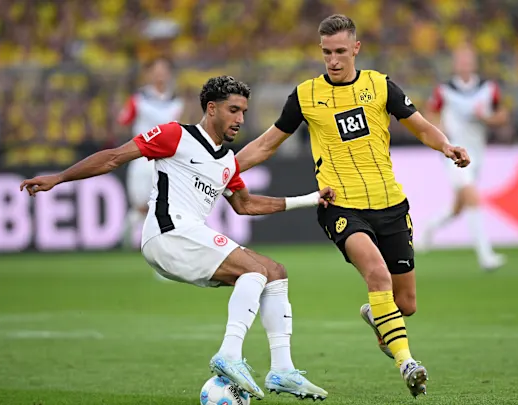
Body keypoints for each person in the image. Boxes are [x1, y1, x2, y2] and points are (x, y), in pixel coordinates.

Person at [20, 76, 331, 401]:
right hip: (167, 233)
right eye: (233, 110)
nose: (240, 119)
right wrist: (59, 178)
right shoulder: (174, 135)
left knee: (275, 273)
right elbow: (113, 157)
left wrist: (309, 199)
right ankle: (229, 354)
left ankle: (282, 370)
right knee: (254, 271)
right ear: (211, 109)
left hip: (187, 238)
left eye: (244, 111)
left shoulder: (226, 161)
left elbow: (246, 205)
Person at [235, 14, 470, 398]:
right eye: (326, 52)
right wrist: (224, 167)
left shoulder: (379, 86)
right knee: (376, 274)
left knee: (404, 305)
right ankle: (408, 363)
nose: (333, 60)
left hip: (390, 204)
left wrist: (446, 146)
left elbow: (421, 125)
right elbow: (265, 144)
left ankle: (377, 316)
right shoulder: (306, 96)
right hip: (341, 206)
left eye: (341, 51)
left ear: (356, 48)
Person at [422, 44, 508, 270]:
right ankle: (485, 255)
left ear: (474, 63)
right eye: (460, 61)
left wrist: (486, 117)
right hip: (455, 154)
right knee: (472, 196)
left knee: (458, 207)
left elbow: (502, 116)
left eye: (468, 61)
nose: (464, 65)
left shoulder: (488, 89)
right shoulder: (445, 90)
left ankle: (428, 228)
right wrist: (439, 131)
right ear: (455, 64)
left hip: (478, 153)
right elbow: (429, 113)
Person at [118, 57, 185, 249]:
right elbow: (122, 122)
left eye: (164, 70)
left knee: (164, 207)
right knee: (141, 205)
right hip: (141, 158)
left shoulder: (176, 101)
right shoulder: (138, 99)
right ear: (149, 74)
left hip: (165, 160)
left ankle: (161, 249)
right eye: (156, 70)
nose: (160, 74)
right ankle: (128, 234)